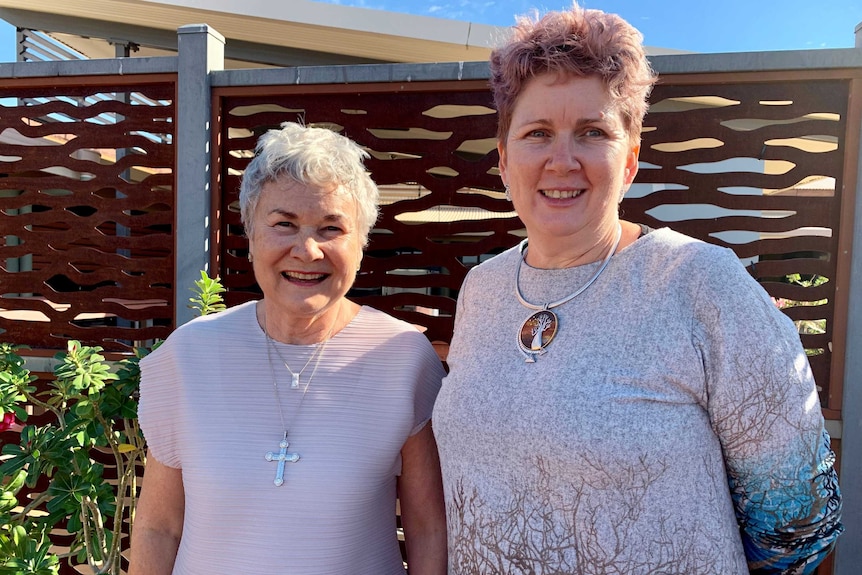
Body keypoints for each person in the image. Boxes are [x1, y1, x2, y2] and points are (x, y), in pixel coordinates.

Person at [432, 4, 843, 574]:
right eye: (537, 133)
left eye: (592, 132)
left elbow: (797, 522)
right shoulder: (482, 288)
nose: (562, 159)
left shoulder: (703, 284)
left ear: (628, 161)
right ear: (503, 161)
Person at [129, 122, 447, 575]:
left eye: (331, 228)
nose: (308, 250)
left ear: (361, 243)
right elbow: (159, 527)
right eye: (284, 224)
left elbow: (427, 530)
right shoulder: (190, 354)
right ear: (251, 234)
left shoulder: (404, 357)